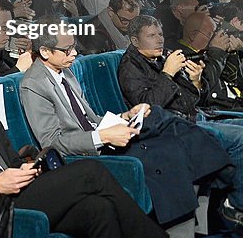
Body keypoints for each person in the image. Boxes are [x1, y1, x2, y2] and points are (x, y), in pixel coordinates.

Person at [0, 46, 166, 238]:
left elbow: (9, 158)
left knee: (98, 209)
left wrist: (23, 169)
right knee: (91, 172)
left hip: (15, 192)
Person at [21, 26, 235, 229]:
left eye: (74, 46)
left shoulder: (65, 71)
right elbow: (52, 142)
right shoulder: (34, 83)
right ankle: (222, 177)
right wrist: (103, 136)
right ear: (45, 52)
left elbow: (89, 117)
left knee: (167, 130)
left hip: (102, 134)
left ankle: (213, 188)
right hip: (87, 152)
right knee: (166, 144)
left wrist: (124, 116)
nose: (75, 53)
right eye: (67, 50)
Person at [118, 15, 243, 225]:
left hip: (195, 116)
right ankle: (235, 205)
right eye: (151, 35)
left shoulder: (161, 57)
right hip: (172, 127)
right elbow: (148, 106)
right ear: (134, 40)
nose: (159, 40)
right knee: (240, 137)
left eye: (160, 34)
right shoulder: (130, 67)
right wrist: (167, 73)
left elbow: (192, 99)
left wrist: (195, 83)